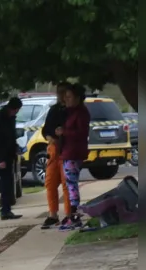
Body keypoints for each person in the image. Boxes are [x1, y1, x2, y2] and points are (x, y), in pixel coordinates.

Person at [56, 83, 90, 231]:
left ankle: (75, 215)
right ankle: (73, 214)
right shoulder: (71, 112)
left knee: (72, 184)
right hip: (67, 151)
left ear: (77, 98)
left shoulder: (81, 113)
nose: (66, 100)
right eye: (65, 97)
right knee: (70, 183)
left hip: (73, 152)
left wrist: (64, 132)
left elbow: (82, 133)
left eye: (69, 97)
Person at [41, 82, 73, 229]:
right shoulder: (54, 110)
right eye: (59, 92)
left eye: (63, 92)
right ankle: (53, 214)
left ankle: (69, 214)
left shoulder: (72, 110)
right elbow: (45, 129)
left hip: (67, 148)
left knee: (67, 184)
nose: (60, 95)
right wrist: (50, 138)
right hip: (54, 149)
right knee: (50, 183)